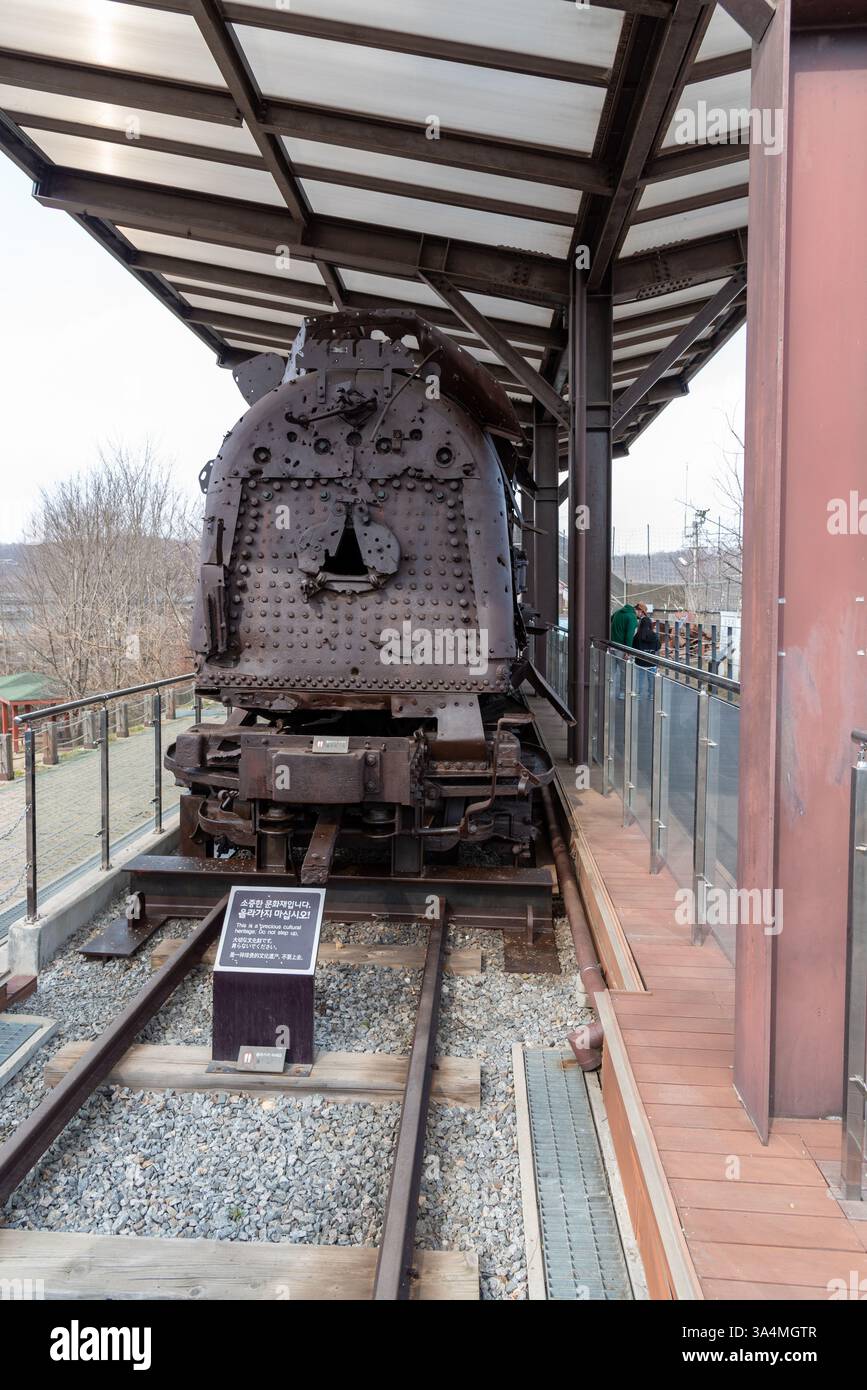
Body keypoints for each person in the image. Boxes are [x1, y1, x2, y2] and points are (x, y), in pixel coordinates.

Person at [610, 602, 638, 699]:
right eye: (642, 613)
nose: (640, 616)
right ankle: (623, 693)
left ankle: (609, 691)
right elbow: (629, 636)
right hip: (622, 649)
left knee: (611, 671)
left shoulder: (617, 613)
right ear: (638, 611)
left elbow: (610, 619)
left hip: (611, 646)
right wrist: (628, 651)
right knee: (624, 672)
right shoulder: (632, 617)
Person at [632, 602, 660, 695]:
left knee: (639, 681)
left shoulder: (638, 635)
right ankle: (651, 695)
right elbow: (658, 647)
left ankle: (638, 695)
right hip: (651, 662)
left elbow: (633, 646)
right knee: (651, 682)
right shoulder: (654, 635)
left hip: (640, 662)